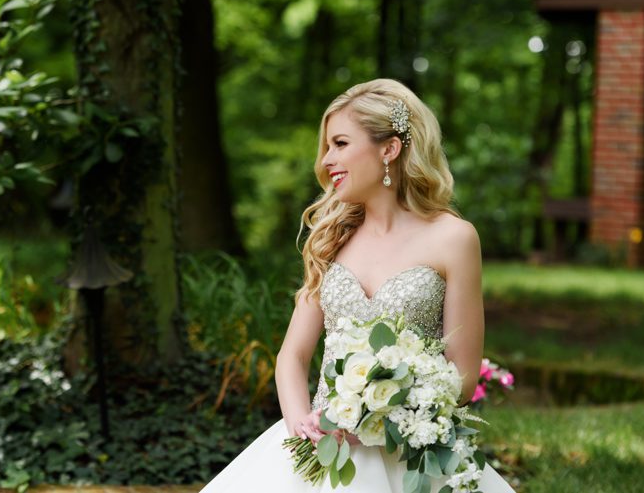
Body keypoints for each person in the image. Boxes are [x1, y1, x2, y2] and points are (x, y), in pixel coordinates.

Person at [199, 79, 516, 492]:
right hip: (325, 451)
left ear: (389, 149)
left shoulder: (453, 238)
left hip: (410, 455)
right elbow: (292, 357)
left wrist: (380, 412)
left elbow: (463, 375)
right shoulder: (331, 239)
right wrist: (302, 426)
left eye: (340, 144)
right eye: (327, 146)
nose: (327, 160)